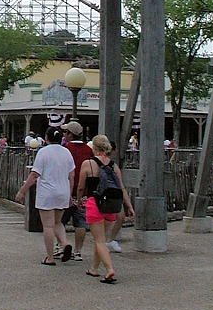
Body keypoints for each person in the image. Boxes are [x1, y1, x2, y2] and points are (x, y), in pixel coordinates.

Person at [76, 134, 134, 283]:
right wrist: (129, 206)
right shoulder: (114, 165)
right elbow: (121, 187)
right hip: (111, 206)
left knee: (100, 240)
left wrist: (78, 200)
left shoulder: (88, 164)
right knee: (100, 238)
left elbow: (82, 186)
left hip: (95, 203)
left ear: (94, 147)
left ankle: (109, 269)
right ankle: (94, 268)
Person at [16, 127, 74, 266]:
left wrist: (22, 191)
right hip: (63, 191)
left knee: (48, 225)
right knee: (58, 222)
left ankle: (50, 257)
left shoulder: (43, 152)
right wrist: (70, 194)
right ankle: (64, 243)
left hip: (47, 192)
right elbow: (72, 175)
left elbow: (35, 174)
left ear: (46, 138)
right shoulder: (67, 152)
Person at [59, 120, 92, 260]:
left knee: (60, 221)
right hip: (84, 191)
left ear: (70, 134)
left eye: (65, 132)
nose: (64, 134)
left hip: (67, 190)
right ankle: (78, 251)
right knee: (81, 223)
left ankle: (60, 245)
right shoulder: (88, 150)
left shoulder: (66, 149)